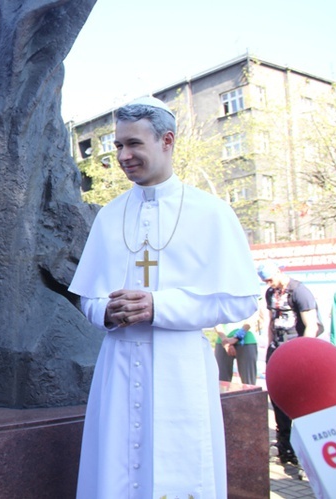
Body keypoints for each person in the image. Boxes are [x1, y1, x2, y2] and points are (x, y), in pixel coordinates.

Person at [69, 96, 259, 498]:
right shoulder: (108, 215)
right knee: (115, 473)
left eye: (133, 144)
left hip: (181, 366)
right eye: (118, 145)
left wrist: (160, 307)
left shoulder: (212, 213)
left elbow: (241, 301)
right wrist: (107, 311)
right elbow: (87, 298)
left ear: (167, 140)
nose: (122, 155)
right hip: (118, 364)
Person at [258, 260, 321, 465]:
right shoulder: (270, 293)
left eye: (270, 279)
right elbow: (270, 322)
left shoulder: (299, 291)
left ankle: (307, 450)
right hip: (277, 349)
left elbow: (311, 325)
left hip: (296, 349)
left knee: (301, 400)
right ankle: (285, 445)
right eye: (264, 281)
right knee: (278, 398)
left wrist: (303, 353)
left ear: (278, 272)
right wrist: (268, 348)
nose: (268, 283)